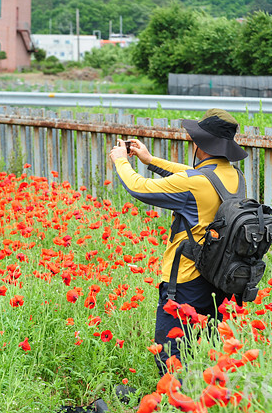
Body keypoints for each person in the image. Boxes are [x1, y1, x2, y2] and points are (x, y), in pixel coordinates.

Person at [108, 108, 248, 376]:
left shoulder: (194, 183)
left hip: (185, 281)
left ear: (201, 145)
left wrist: (121, 161)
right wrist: (149, 159)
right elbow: (192, 175)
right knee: (206, 348)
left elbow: (139, 187)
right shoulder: (234, 176)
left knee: (171, 356)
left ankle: (174, 397)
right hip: (219, 276)